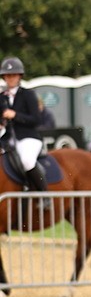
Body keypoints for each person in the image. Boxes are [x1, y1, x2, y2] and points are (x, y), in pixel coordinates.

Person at [1, 56, 52, 210]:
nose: (10, 78)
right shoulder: (1, 97)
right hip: (7, 138)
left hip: (28, 137)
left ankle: (44, 195)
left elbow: (36, 119)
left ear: (19, 76)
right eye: (7, 75)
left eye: (13, 75)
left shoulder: (28, 95)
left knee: (27, 160)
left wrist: (15, 115)